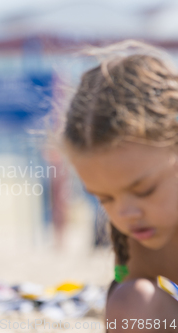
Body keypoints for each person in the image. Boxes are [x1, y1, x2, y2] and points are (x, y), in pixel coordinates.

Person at [62, 41, 178, 332]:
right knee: (130, 301)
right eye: (105, 198)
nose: (125, 212)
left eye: (144, 190)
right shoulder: (144, 236)